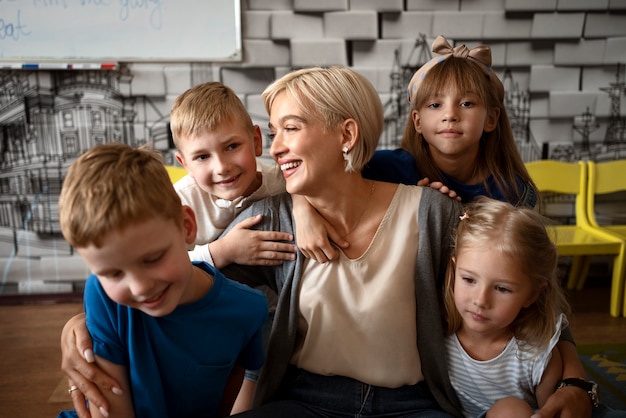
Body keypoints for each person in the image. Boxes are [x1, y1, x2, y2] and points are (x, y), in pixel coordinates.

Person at [60, 67, 615, 418]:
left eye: (289, 129)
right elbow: (188, 286)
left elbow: (515, 290)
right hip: (302, 400)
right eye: (272, 132)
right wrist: (89, 314)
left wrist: (573, 379)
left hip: (415, 403)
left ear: (347, 135)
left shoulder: (435, 213)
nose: (273, 148)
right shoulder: (269, 215)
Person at [56, 143, 268, 418]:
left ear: (187, 227)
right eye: (113, 273)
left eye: (152, 259)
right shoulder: (101, 294)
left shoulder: (248, 310)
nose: (140, 287)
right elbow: (110, 408)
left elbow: (232, 394)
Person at [362, 35, 537, 208]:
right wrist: (413, 210)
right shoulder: (380, 170)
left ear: (490, 119)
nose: (450, 115)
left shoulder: (511, 193)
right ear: (418, 121)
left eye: (466, 103)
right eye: (435, 104)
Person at [443, 197, 572, 417]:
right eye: (469, 280)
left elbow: (555, 410)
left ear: (532, 295)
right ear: (455, 271)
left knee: (512, 410)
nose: (481, 300)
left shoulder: (537, 356)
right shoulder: (436, 330)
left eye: (502, 289)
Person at [168, 81, 296, 269]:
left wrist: (305, 211)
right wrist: (223, 251)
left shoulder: (281, 183)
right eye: (202, 157)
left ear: (256, 141)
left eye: (232, 146)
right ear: (185, 164)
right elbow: (160, 264)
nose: (221, 167)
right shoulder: (178, 201)